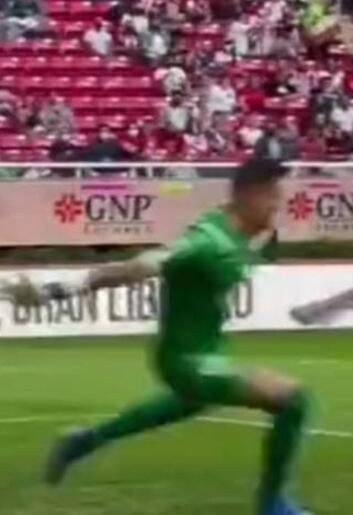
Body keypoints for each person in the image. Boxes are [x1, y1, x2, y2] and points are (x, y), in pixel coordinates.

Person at [14, 159, 313, 515]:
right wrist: (58, 290)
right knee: (293, 399)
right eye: (273, 195)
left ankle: (85, 441)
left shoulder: (232, 233)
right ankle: (272, 505)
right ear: (249, 195)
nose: (279, 203)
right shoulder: (207, 240)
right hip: (188, 362)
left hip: (207, 352)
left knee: (190, 403)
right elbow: (144, 265)